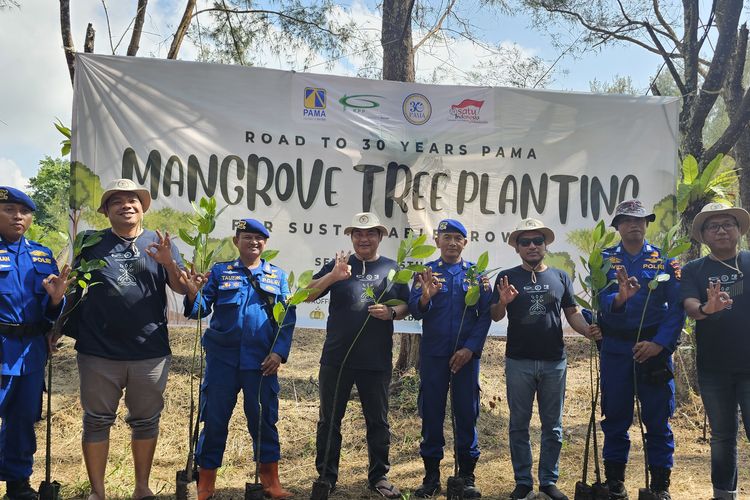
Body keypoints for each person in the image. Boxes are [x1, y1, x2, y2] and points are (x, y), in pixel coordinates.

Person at [60, 178, 189, 500]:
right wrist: (56, 328)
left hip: (149, 350)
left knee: (145, 421)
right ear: (106, 211)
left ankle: (142, 488)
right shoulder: (90, 243)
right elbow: (73, 290)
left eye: (133, 200)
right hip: (97, 351)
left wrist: (168, 263)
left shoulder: (162, 243)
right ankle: (97, 492)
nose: (126, 205)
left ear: (142, 208)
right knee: (96, 420)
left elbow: (183, 289)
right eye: (117, 201)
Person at [184, 218, 296, 500]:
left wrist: (278, 353)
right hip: (222, 361)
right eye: (247, 237)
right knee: (214, 419)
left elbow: (287, 320)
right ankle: (206, 484)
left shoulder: (277, 277)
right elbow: (200, 309)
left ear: (265, 243)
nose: (254, 242)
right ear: (237, 241)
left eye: (259, 238)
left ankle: (270, 482)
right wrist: (192, 291)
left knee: (263, 420)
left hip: (261, 363)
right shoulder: (221, 273)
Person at [490, 218, 599, 500]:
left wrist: (587, 330)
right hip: (519, 361)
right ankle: (523, 481)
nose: (532, 246)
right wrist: (503, 301)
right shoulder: (507, 277)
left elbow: (572, 313)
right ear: (517, 248)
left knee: (553, 425)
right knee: (518, 424)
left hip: (554, 361)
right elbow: (495, 316)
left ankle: (549, 481)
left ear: (546, 245)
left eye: (537, 241)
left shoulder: (561, 276)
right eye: (525, 242)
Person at [306, 212, 409, 498]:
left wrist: (390, 312)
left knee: (378, 421)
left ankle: (379, 476)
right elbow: (306, 295)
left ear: (380, 237)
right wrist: (332, 276)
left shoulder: (392, 268)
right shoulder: (338, 265)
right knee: (329, 420)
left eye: (371, 233)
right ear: (352, 237)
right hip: (336, 358)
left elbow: (406, 306)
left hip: (375, 360)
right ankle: (326, 476)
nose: (364, 238)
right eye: (359, 234)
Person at [597, 199, 683, 500]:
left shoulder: (664, 261)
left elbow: (676, 309)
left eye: (640, 220)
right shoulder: (605, 260)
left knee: (658, 419)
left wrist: (659, 344)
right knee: (616, 416)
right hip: (616, 349)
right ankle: (615, 483)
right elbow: (601, 305)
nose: (634, 224)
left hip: (654, 350)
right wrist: (620, 298)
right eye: (627, 220)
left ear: (647, 224)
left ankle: (660, 485)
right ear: (617, 226)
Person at [408, 219, 492, 498]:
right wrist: (424, 297)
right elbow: (415, 311)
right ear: (437, 241)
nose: (452, 242)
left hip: (466, 358)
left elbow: (485, 315)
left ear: (465, 243)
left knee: (467, 413)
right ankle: (431, 476)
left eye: (458, 238)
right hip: (434, 357)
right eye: (447, 237)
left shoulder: (476, 275)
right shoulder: (426, 273)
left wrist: (470, 349)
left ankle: (466, 475)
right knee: (431, 413)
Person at [0, 186, 70, 500]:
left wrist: (57, 301)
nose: (18, 217)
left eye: (24, 211)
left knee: (23, 420)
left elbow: (51, 308)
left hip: (30, 353)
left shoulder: (42, 255)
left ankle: (17, 484)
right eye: (9, 210)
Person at [680, 202, 750, 500]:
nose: (721, 230)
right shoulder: (694, 270)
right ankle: (724, 494)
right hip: (714, 368)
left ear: (737, 231)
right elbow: (690, 307)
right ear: (704, 236)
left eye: (727, 224)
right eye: (713, 226)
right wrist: (707, 308)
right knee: (722, 436)